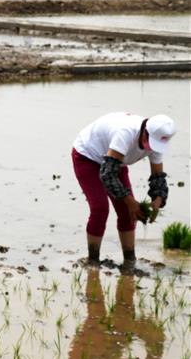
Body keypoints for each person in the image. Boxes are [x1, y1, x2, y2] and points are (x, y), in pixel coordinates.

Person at [72, 113, 175, 266]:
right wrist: (130, 201)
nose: (152, 149)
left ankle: (129, 260)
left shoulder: (157, 141)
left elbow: (158, 176)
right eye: (150, 143)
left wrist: (158, 200)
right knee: (100, 208)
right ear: (145, 132)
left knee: (128, 212)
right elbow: (107, 174)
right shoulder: (125, 133)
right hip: (88, 156)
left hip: (116, 162)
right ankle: (93, 261)